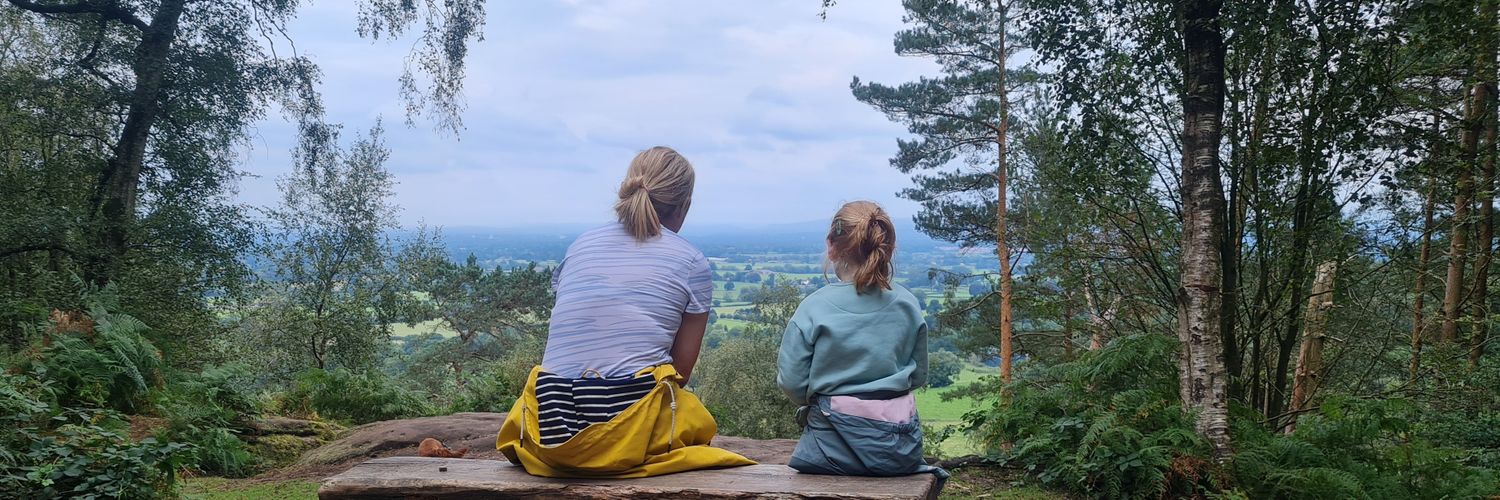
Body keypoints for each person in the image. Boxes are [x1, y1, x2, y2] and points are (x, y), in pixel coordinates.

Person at [496, 146, 753, 478]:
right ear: (684, 206)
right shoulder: (692, 261)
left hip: (549, 426)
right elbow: (681, 373)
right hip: (630, 432)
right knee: (694, 416)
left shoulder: (579, 247)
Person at [776, 201, 947, 483]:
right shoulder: (907, 303)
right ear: (888, 249)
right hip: (899, 451)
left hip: (829, 450)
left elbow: (792, 382)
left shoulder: (814, 308)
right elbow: (918, 376)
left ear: (831, 246)